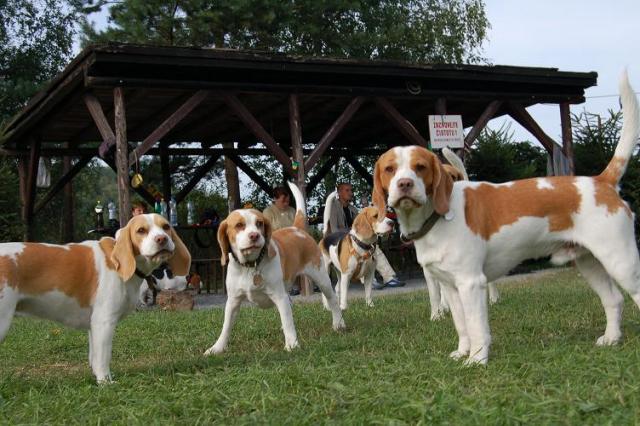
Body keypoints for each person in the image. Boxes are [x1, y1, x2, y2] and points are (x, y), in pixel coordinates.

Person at [326, 182, 405, 290]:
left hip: (353, 239)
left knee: (373, 247)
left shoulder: (353, 209)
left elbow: (362, 226)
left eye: (351, 190)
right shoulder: (333, 207)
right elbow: (334, 230)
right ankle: (370, 281)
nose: (351, 193)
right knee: (360, 250)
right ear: (339, 192)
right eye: (347, 190)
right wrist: (351, 232)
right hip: (338, 242)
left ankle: (389, 278)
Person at [263, 185, 303, 295]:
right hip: (275, 244)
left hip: (292, 242)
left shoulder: (292, 210)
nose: (286, 203)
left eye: (288, 201)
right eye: (283, 201)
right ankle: (286, 286)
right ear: (275, 199)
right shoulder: (268, 212)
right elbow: (266, 232)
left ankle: (304, 284)